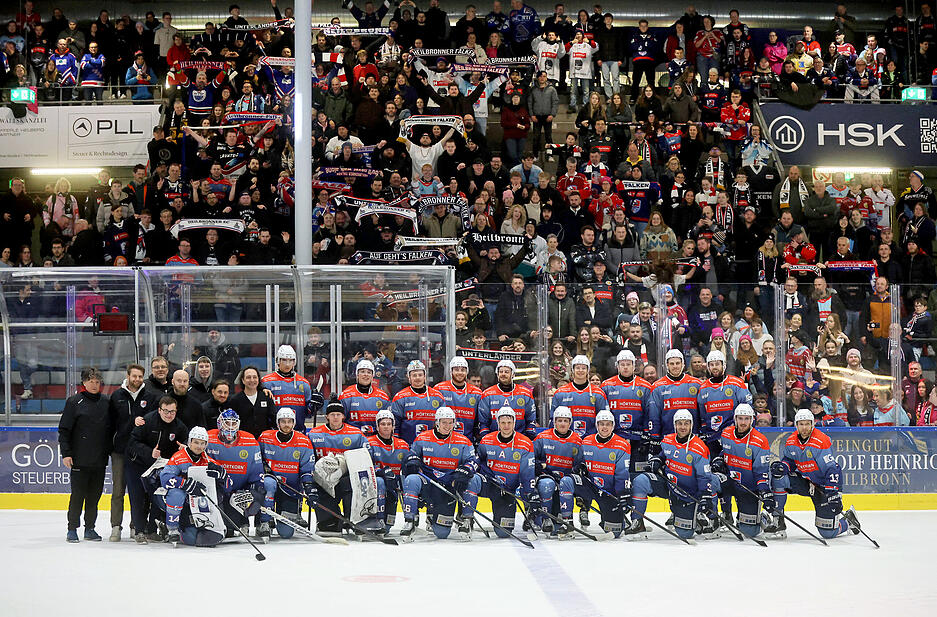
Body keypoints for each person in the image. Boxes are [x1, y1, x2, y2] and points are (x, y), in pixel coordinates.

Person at [770, 409, 863, 539]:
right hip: (806, 482)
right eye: (801, 424)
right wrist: (782, 467)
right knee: (778, 477)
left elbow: (832, 469)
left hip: (825, 486)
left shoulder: (820, 440)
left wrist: (833, 492)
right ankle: (777, 520)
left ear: (812, 424)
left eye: (807, 424)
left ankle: (849, 520)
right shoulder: (791, 441)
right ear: (796, 425)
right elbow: (789, 461)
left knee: (828, 533)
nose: (804, 427)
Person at [629, 409, 720, 539]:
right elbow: (663, 454)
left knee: (685, 534)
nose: (683, 427)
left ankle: (712, 519)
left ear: (691, 425)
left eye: (686, 423)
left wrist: (705, 497)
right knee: (640, 481)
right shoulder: (667, 440)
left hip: (689, 492)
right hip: (669, 485)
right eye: (680, 423)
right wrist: (657, 460)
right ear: (675, 424)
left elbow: (703, 476)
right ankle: (637, 522)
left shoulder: (700, 448)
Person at [399, 406, 481, 539]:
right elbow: (411, 456)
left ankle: (466, 519)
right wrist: (412, 461)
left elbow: (473, 460)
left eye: (450, 422)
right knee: (411, 479)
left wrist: (465, 470)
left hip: (449, 485)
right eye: (444, 422)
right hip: (429, 483)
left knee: (441, 533)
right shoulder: (422, 438)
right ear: (437, 422)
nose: (447, 426)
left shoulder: (463, 441)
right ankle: (410, 521)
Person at [307, 395, 375, 534]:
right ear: (327, 417)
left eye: (338, 414)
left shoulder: (356, 434)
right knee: (329, 526)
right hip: (322, 481)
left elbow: (367, 457)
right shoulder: (314, 434)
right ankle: (331, 521)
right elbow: (308, 459)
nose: (335, 417)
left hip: (347, 479)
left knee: (351, 484)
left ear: (343, 416)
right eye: (332, 414)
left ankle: (354, 520)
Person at [59, 368, 113, 543]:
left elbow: (110, 429)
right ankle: (72, 528)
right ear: (84, 382)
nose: (94, 385)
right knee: (78, 495)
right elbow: (64, 430)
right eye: (91, 381)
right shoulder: (74, 402)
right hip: (79, 459)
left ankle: (90, 528)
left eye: (97, 382)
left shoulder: (106, 402)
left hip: (99, 460)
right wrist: (66, 453)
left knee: (94, 497)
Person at [125, 396, 189, 543]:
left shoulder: (179, 426)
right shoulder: (147, 421)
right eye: (166, 411)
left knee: (157, 497)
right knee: (138, 499)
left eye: (172, 411)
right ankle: (139, 531)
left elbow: (187, 441)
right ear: (159, 410)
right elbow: (132, 442)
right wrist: (149, 452)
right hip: (138, 465)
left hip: (161, 467)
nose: (169, 415)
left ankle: (152, 530)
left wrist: (184, 448)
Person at [107, 363, 158, 542]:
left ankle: (135, 525)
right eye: (133, 376)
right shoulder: (116, 396)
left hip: (141, 453)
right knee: (118, 490)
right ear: (127, 376)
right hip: (120, 451)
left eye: (139, 376)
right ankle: (116, 526)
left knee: (139, 492)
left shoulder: (150, 397)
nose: (136, 379)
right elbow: (110, 424)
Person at [156, 426, 228, 547]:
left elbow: (229, 485)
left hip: (196, 503)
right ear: (189, 442)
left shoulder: (208, 460)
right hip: (177, 500)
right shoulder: (179, 458)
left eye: (202, 443)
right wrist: (185, 484)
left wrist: (222, 474)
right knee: (177, 494)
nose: (199, 446)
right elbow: (165, 478)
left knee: (218, 492)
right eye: (196, 442)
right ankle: (172, 528)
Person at [474, 406, 536, 538]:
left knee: (503, 533)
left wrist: (530, 495)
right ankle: (466, 519)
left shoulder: (525, 443)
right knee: (470, 479)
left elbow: (527, 473)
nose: (506, 426)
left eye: (509, 422)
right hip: (491, 486)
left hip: (508, 491)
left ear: (514, 423)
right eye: (503, 422)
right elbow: (477, 462)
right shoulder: (487, 440)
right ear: (498, 423)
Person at [712, 403, 772, 538]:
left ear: (752, 420)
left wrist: (763, 491)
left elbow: (761, 470)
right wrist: (720, 460)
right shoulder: (726, 433)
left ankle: (760, 517)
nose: (743, 422)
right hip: (731, 481)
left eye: (746, 419)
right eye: (740, 418)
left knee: (749, 532)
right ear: (735, 419)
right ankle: (715, 519)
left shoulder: (760, 440)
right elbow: (725, 452)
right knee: (709, 481)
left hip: (748, 487)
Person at [572, 410, 631, 538]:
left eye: (608, 424)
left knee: (614, 532)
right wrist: (581, 466)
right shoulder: (586, 441)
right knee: (568, 481)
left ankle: (619, 518)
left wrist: (621, 496)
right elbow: (580, 462)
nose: (604, 427)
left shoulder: (622, 445)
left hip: (609, 493)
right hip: (592, 488)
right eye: (601, 424)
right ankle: (567, 522)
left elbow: (622, 474)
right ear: (597, 425)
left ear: (613, 426)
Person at [259, 408, 317, 539]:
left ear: (294, 423)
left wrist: (309, 488)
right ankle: (264, 521)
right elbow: (257, 459)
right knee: (269, 484)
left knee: (286, 533)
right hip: (271, 484)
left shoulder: (303, 441)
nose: (286, 424)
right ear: (277, 423)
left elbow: (306, 470)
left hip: (290, 489)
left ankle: (282, 517)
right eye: (283, 421)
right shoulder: (265, 438)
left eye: (289, 421)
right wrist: (264, 468)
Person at [205, 410, 264, 537]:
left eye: (234, 423)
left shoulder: (250, 441)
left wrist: (256, 492)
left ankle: (254, 522)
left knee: (264, 488)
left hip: (239, 491)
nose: (231, 427)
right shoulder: (208, 438)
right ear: (220, 423)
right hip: (219, 490)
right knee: (228, 529)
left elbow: (257, 472)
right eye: (227, 423)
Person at [532, 405, 583, 536]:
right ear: (554, 422)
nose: (562, 424)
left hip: (565, 481)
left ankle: (566, 519)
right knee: (546, 485)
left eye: (565, 421)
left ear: (570, 423)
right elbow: (531, 459)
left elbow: (580, 464)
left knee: (556, 529)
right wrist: (541, 467)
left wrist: (573, 472)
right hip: (547, 479)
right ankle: (545, 518)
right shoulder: (542, 437)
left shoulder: (577, 440)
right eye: (559, 420)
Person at [696, 350, 752, 457]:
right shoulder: (703, 388)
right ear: (708, 367)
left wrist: (738, 428)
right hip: (713, 438)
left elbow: (748, 407)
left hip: (734, 436)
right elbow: (703, 416)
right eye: (711, 365)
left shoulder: (736, 383)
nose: (714, 367)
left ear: (724, 365)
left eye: (717, 364)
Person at [261, 344, 324, 431]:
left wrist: (315, 406)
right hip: (273, 433)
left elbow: (308, 413)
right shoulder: (266, 382)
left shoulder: (303, 383)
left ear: (294, 362)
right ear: (277, 361)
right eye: (284, 360)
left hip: (298, 433)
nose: (287, 364)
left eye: (291, 360)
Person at [367, 410, 410, 532]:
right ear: (377, 426)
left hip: (394, 485)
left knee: (388, 527)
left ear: (393, 426)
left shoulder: (402, 445)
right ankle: (377, 518)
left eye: (388, 424)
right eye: (383, 424)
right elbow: (365, 465)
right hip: (375, 484)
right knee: (380, 481)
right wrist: (381, 472)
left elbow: (407, 467)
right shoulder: (369, 442)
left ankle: (412, 519)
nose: (386, 426)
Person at [648, 349, 702, 443]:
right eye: (672, 364)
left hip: (693, 437)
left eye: (677, 363)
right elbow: (654, 414)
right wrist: (655, 436)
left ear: (683, 364)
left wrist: (703, 432)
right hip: (668, 437)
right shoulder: (658, 387)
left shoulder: (696, 384)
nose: (675, 366)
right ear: (667, 365)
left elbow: (702, 411)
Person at [477, 359, 538, 440]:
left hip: (519, 441)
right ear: (497, 374)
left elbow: (531, 419)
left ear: (513, 374)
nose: (503, 374)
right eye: (501, 372)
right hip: (494, 442)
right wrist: (487, 440)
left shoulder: (525, 393)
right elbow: (483, 422)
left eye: (506, 372)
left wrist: (527, 439)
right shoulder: (487, 394)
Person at [550, 354, 608, 437]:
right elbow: (553, 419)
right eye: (577, 368)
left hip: (591, 439)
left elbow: (604, 419)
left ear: (588, 370)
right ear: (573, 370)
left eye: (583, 368)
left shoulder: (598, 393)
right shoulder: (560, 393)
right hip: (567, 439)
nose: (580, 370)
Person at [391, 359, 447, 444]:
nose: (417, 378)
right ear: (409, 377)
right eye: (414, 375)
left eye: (420, 375)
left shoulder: (437, 396)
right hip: (408, 446)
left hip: (433, 445)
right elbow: (395, 425)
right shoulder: (400, 397)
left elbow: (444, 423)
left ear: (425, 376)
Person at [436, 356, 483, 441]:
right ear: (451, 371)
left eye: (463, 370)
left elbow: (480, 419)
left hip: (468, 440)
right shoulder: (439, 389)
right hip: (444, 439)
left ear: (467, 372)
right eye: (456, 369)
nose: (460, 373)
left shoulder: (477, 392)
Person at [340, 358, 391, 436]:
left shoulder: (382, 396)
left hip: (375, 441)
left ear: (373, 375)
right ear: (357, 375)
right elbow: (340, 422)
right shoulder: (346, 395)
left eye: (369, 372)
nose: (365, 375)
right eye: (362, 371)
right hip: (353, 440)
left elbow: (388, 423)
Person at [228, 366, 276, 438]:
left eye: (254, 377)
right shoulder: (235, 400)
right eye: (248, 377)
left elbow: (273, 419)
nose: (252, 380)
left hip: (264, 440)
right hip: (243, 442)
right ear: (243, 380)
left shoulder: (266, 397)